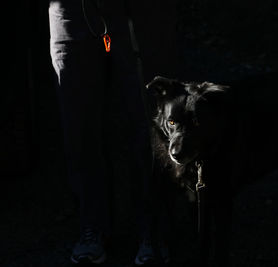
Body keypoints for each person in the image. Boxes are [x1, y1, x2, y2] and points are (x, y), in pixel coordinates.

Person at [48, 0, 178, 264]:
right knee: (79, 126)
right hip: (71, 12)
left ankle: (152, 228)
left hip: (138, 12)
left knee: (147, 122)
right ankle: (92, 226)